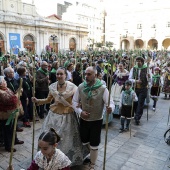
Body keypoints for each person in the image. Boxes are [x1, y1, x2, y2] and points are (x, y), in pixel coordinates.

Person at [32, 67, 89, 166]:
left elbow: (78, 101)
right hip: (54, 115)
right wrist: (37, 101)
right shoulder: (52, 86)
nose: (59, 76)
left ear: (65, 75)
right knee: (49, 137)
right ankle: (48, 157)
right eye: (57, 74)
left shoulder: (73, 87)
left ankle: (65, 160)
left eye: (61, 74)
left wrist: (81, 105)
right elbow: (48, 100)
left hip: (68, 116)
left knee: (66, 139)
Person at [72, 66, 115, 170]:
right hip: (83, 120)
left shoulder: (103, 88)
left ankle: (92, 164)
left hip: (96, 120)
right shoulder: (81, 87)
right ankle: (88, 155)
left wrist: (110, 108)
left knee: (94, 143)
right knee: (84, 141)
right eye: (85, 74)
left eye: (89, 74)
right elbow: (74, 102)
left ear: (95, 75)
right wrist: (80, 112)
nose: (86, 76)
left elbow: (111, 102)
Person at [0, 76, 22, 152]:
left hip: (12, 112)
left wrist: (17, 93)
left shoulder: (6, 89)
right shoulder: (1, 91)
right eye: (4, 81)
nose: (5, 82)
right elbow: (10, 100)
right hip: (6, 114)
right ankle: (8, 146)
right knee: (7, 130)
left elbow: (13, 95)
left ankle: (15, 140)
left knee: (13, 127)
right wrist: (18, 94)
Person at [129, 56, 151, 125]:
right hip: (135, 88)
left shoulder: (146, 69)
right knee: (135, 102)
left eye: (140, 61)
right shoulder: (134, 68)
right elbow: (129, 78)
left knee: (140, 103)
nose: (138, 62)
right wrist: (136, 81)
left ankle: (137, 118)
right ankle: (136, 114)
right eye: (137, 61)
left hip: (143, 88)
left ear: (142, 62)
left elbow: (150, 80)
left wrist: (149, 77)